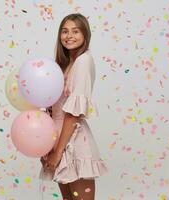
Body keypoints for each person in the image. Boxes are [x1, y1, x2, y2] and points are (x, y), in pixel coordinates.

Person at [39, 13, 108, 200]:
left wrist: (58, 152)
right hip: (58, 140)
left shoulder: (84, 60)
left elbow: (73, 113)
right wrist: (46, 147)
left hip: (74, 142)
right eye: (64, 31)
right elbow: (54, 109)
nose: (69, 36)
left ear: (85, 34)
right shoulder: (65, 64)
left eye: (75, 31)